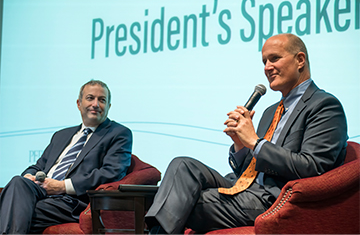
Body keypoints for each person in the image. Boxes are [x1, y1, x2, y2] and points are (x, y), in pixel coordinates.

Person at [144, 33, 348, 234]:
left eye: (274, 58)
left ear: (300, 60)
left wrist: (255, 143)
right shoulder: (270, 112)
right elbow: (248, 170)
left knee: (179, 202)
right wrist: (241, 145)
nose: (267, 67)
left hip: (272, 198)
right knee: (182, 165)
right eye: (264, 61)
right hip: (245, 187)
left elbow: (314, 167)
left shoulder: (323, 105)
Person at [0, 80, 133, 234]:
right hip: (39, 192)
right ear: (79, 103)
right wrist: (29, 176)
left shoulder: (118, 133)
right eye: (90, 98)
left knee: (11, 212)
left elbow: (111, 173)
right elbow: (39, 166)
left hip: (69, 201)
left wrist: (62, 186)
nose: (95, 104)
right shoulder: (61, 135)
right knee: (18, 181)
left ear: (108, 106)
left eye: (102, 100)